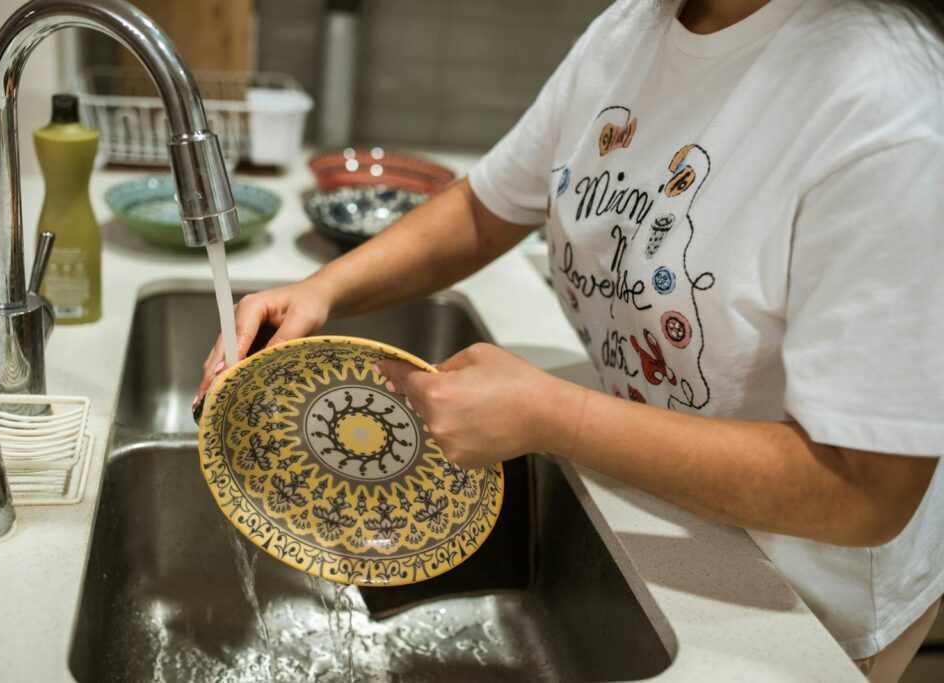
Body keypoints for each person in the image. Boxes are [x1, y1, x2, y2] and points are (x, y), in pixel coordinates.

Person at [195, 0, 943, 679]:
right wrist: (324, 290)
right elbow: (488, 210)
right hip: (658, 510)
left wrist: (560, 417)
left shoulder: (887, 112)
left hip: (798, 599)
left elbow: (865, 490)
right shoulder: (638, 26)